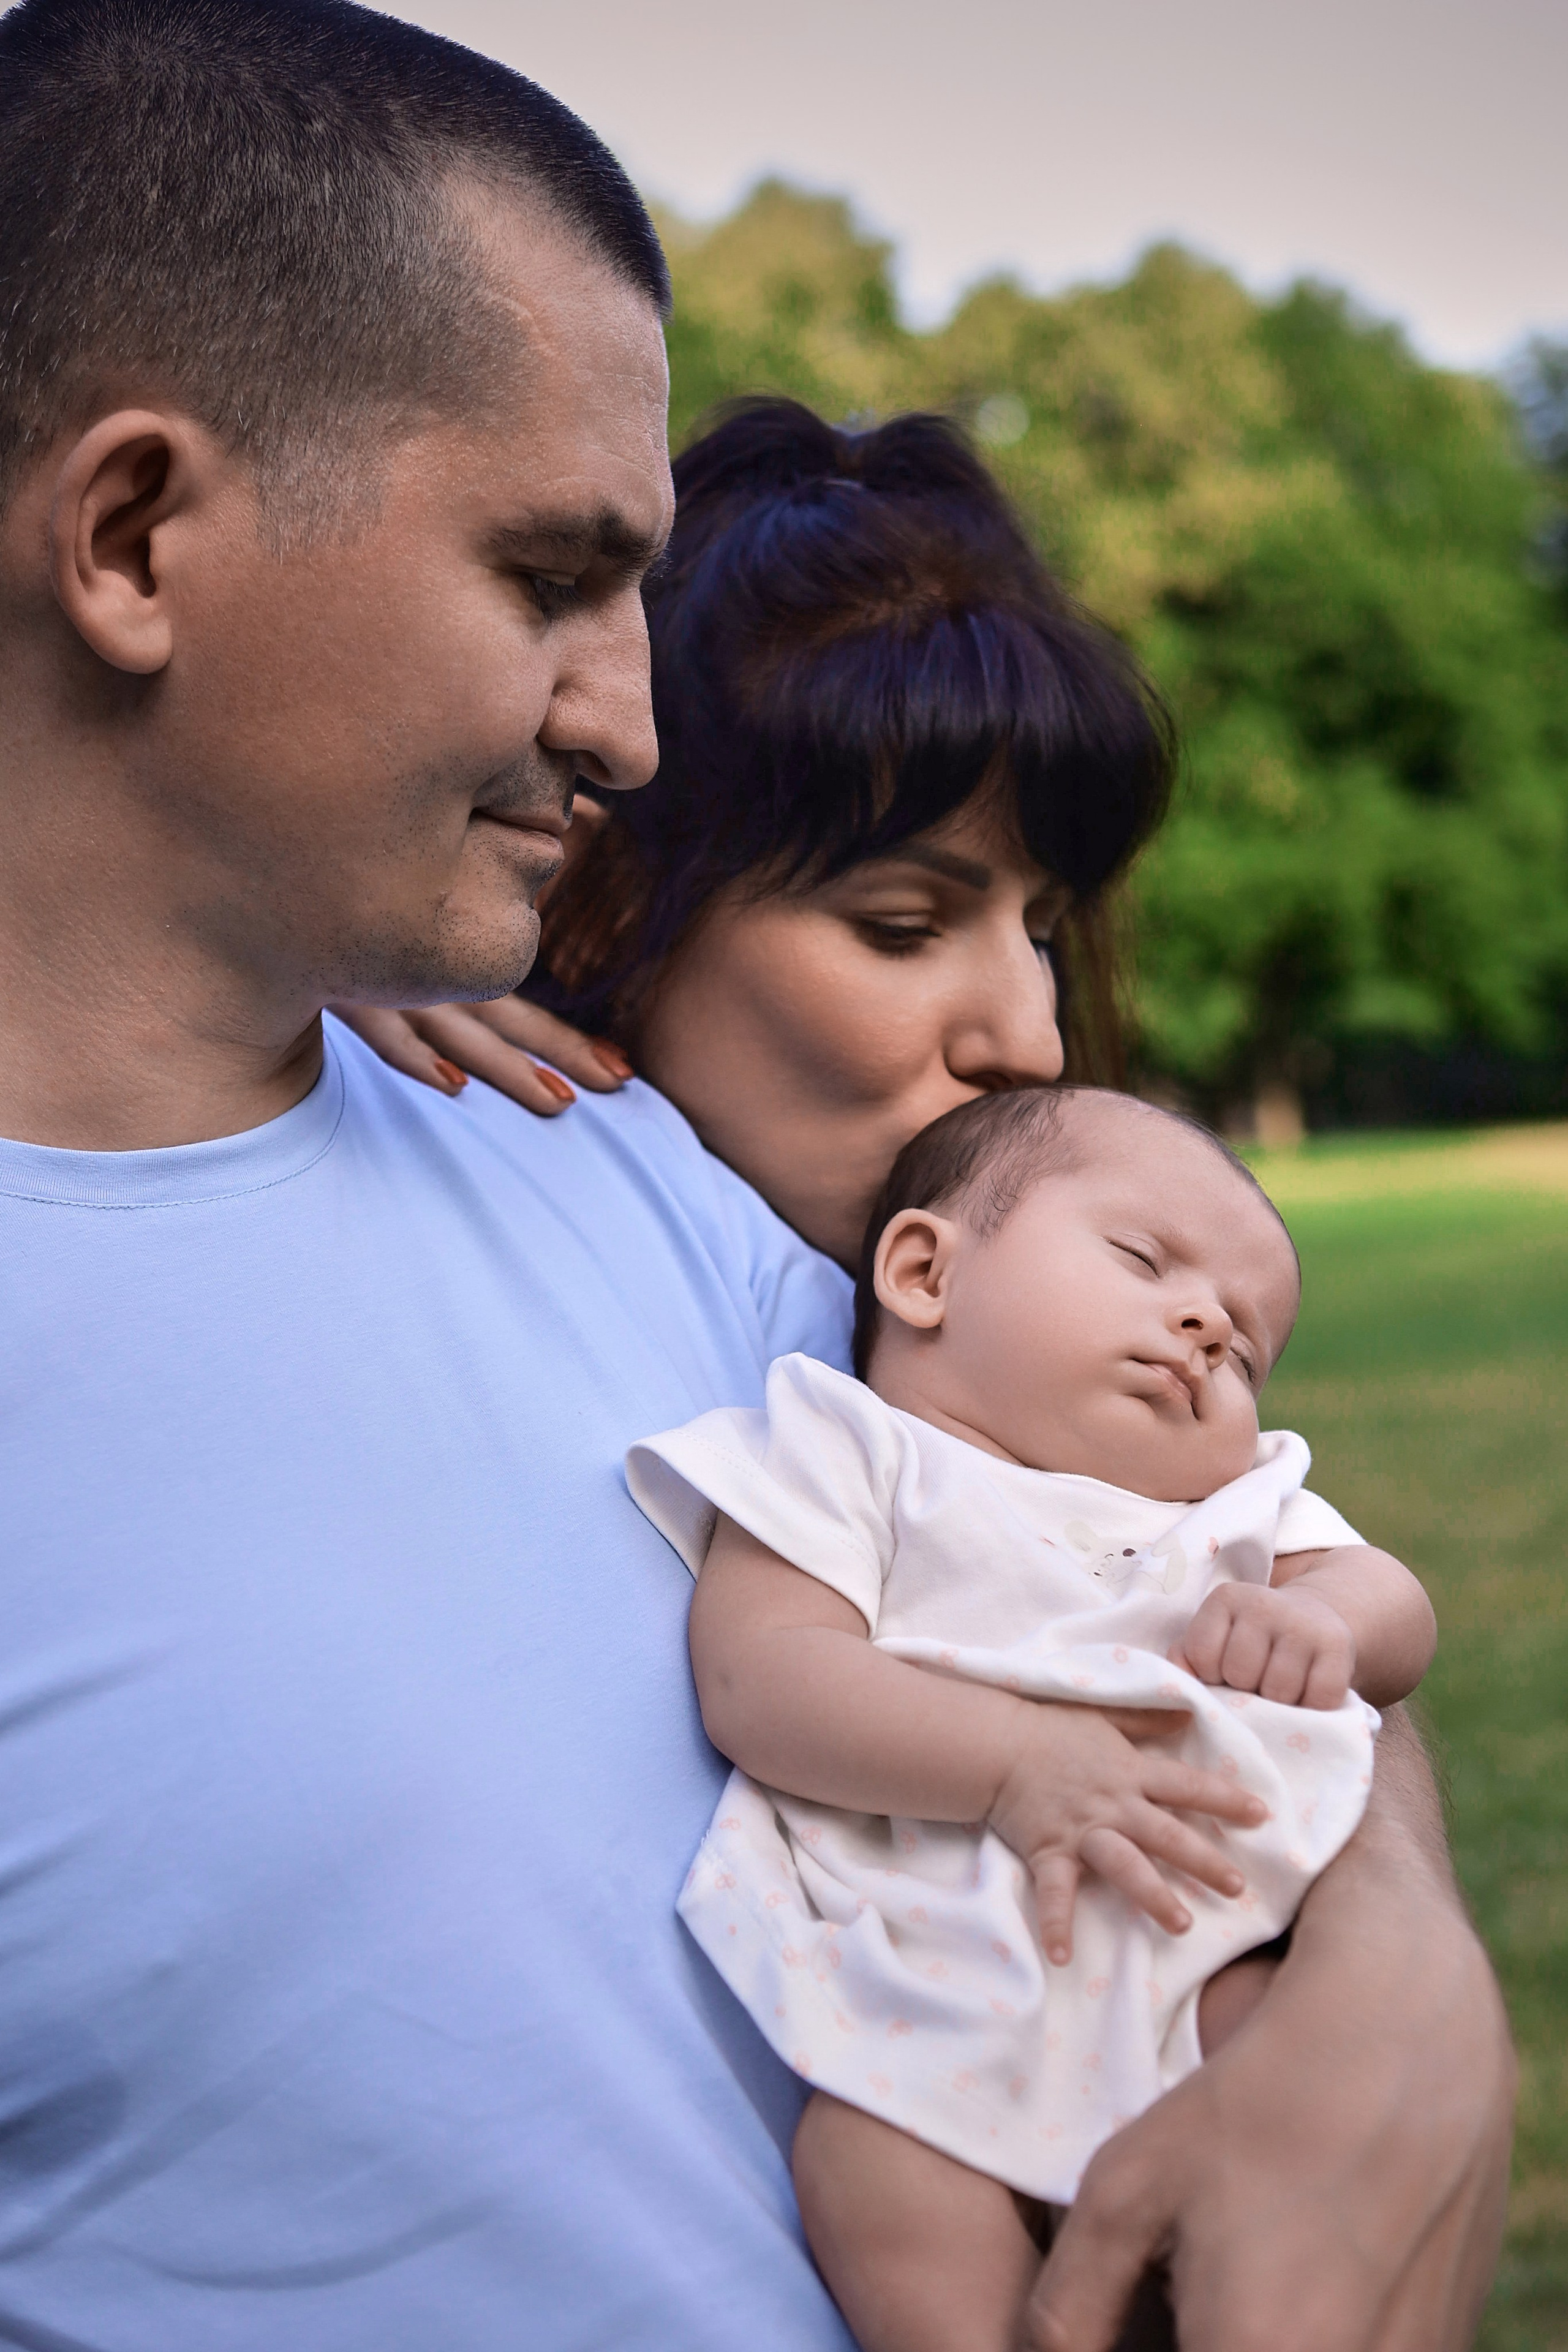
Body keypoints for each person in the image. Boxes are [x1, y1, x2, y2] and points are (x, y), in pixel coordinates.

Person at [0, 0, 1509, 2336]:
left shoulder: (626, 1180)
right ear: (130, 535)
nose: (622, 726)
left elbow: (1165, 1545)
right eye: (546, 579)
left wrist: (1404, 1963)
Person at [336, 401, 1515, 2350]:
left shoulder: (962, 1316)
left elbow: (1246, 1580)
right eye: (904, 921)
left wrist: (1403, 1954)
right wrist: (327, 950)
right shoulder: (432, 1148)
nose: (1033, 1035)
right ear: (605, 882)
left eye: (1043, 927)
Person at [628, 1084, 1438, 2352]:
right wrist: (1010, 1762)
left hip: (1200, 1942)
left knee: (1303, 2119)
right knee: (871, 2170)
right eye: (1141, 1260)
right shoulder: (852, 1454)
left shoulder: (1224, 1512)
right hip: (927, 1978)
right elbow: (761, 1675)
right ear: (921, 1272)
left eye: (1240, 1349)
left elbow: (1396, 1605)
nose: (1201, 1327)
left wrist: (1330, 1617)